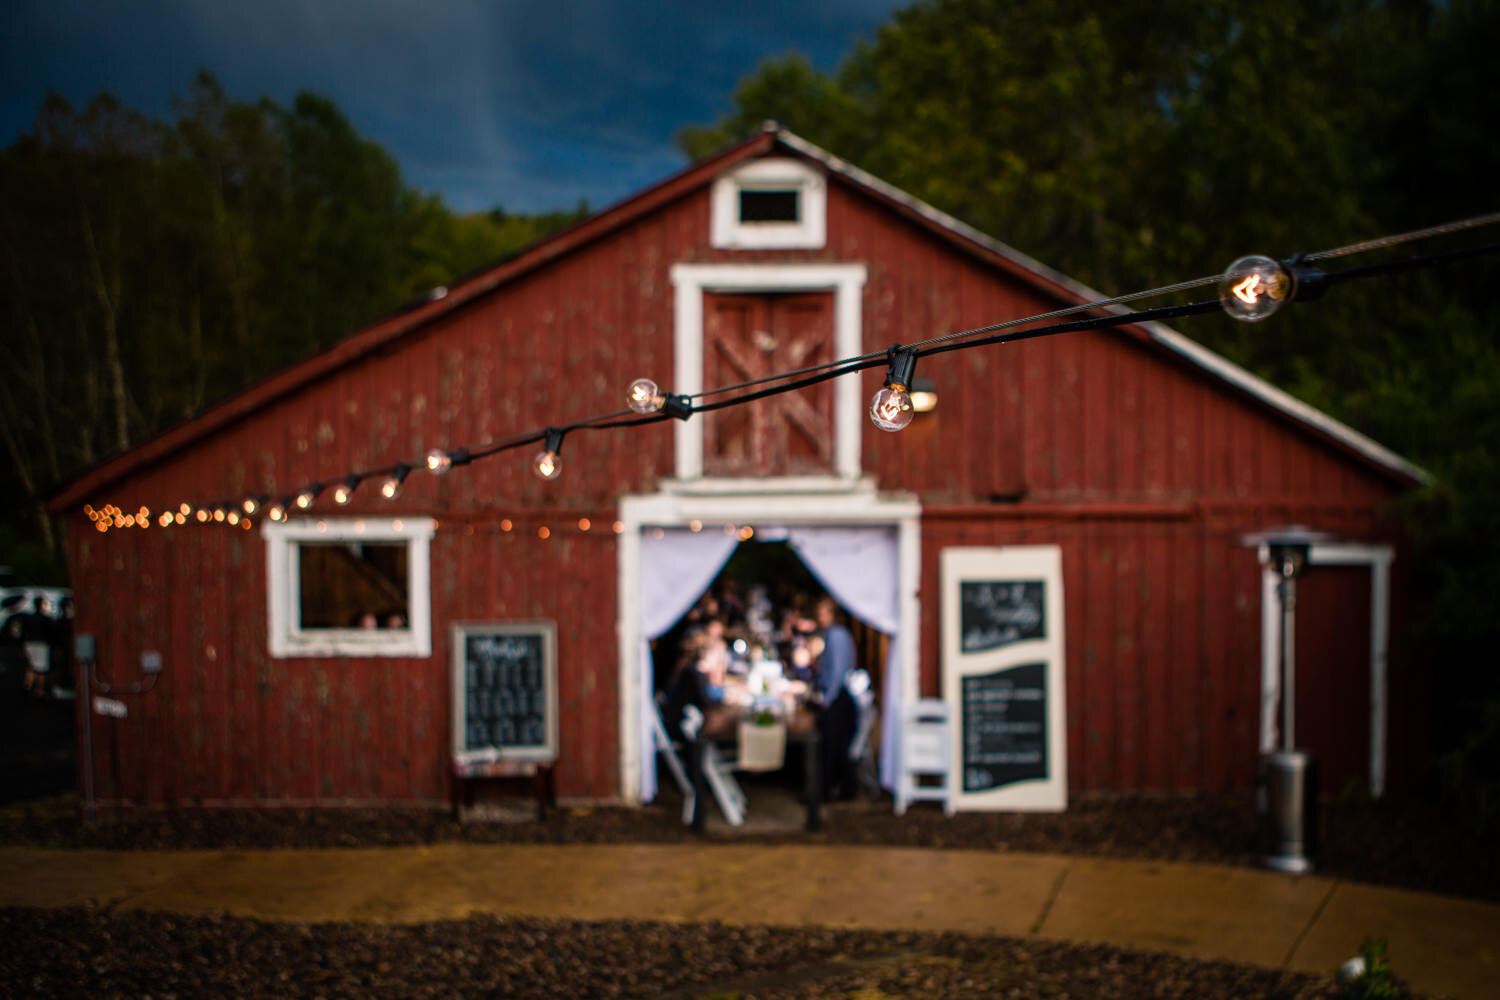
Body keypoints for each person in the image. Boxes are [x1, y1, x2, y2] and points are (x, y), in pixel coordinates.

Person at [813, 596, 858, 800]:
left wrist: (827, 699)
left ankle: (831, 789)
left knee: (833, 746)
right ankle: (836, 788)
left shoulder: (837, 635)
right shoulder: (832, 634)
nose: (820, 617)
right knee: (835, 746)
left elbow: (839, 670)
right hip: (835, 695)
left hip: (837, 698)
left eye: (823, 613)